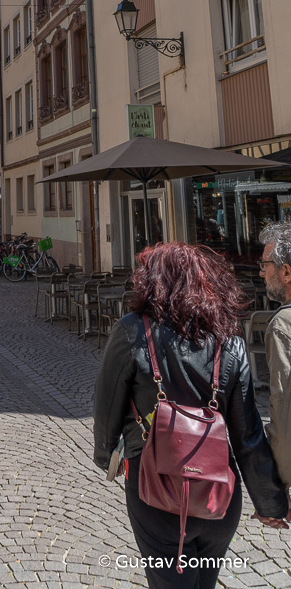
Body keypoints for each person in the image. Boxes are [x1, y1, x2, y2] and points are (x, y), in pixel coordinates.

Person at [94, 243, 288, 588]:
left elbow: (107, 404)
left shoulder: (131, 330)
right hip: (217, 491)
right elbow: (247, 433)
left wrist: (105, 454)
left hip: (152, 484)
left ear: (152, 281)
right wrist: (270, 501)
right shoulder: (229, 337)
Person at [259, 222, 291, 501]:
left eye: (265, 264)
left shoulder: (282, 324)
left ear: (287, 272)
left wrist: (279, 484)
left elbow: (283, 408)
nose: (261, 272)